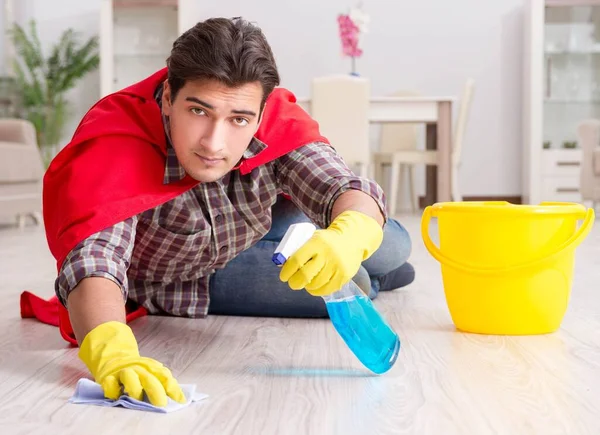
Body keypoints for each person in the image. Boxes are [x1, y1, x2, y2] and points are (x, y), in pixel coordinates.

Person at [41, 17, 414, 407]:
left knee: (391, 245)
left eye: (239, 119)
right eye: (199, 112)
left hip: (257, 226)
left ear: (260, 111)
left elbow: (343, 185)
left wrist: (348, 236)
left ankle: (373, 263)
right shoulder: (115, 143)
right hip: (190, 275)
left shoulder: (270, 116)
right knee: (358, 280)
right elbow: (95, 261)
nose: (214, 143)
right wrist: (112, 350)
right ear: (168, 97)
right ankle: (376, 275)